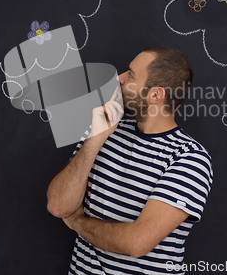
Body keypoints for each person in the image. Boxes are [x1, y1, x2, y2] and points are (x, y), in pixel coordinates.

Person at [47, 46, 213, 274]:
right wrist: (95, 140)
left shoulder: (189, 158)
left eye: (131, 75)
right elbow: (58, 205)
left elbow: (136, 243)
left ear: (155, 95)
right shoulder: (105, 127)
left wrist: (77, 222)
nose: (119, 78)